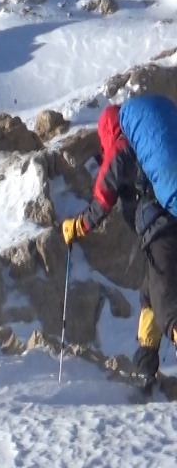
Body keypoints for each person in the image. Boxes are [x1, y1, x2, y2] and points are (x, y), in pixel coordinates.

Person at [61, 98, 177, 390]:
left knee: (168, 310)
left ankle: (145, 370)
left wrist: (77, 226)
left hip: (163, 234)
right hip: (165, 229)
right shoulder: (146, 152)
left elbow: (102, 201)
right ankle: (144, 370)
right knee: (150, 295)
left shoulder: (121, 151)